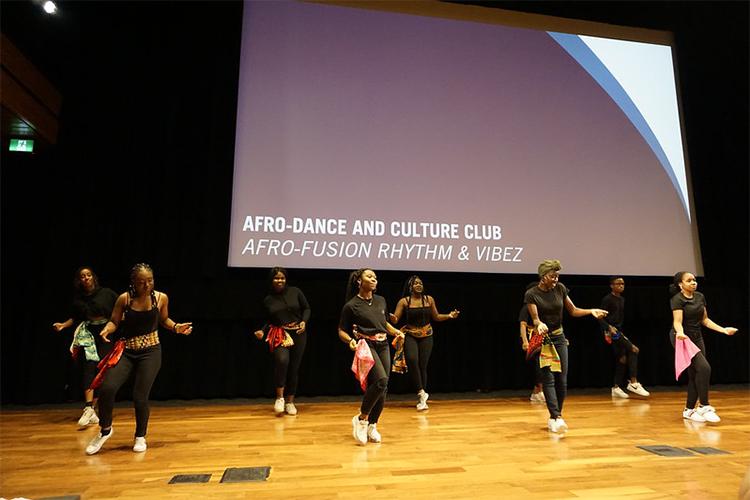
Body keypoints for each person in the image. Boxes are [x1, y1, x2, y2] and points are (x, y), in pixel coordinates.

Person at [84, 263, 193, 455]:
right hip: (127, 350)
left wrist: (177, 327)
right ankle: (105, 430)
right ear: (134, 282)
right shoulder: (124, 299)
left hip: (151, 352)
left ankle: (140, 436)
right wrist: (107, 329)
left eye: (150, 280)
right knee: (108, 389)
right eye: (142, 281)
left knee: (140, 396)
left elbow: (164, 320)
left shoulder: (160, 298)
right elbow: (114, 321)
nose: (147, 285)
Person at [524, 259, 608, 433]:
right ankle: (555, 417)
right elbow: (535, 318)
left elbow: (573, 310)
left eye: (557, 276)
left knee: (562, 380)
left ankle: (557, 415)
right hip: (544, 339)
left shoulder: (560, 289)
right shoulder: (532, 294)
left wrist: (591, 311)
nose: (555, 279)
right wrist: (538, 324)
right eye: (552, 276)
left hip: (559, 337)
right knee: (548, 379)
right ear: (543, 276)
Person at [338, 268, 403, 445]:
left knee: (383, 387)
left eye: (375, 277)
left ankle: (372, 425)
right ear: (359, 281)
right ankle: (361, 418)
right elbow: (341, 330)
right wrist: (349, 340)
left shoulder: (381, 300)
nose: (374, 279)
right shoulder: (351, 305)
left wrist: (396, 331)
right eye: (369, 276)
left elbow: (384, 324)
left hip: (383, 345)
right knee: (381, 380)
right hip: (366, 345)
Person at [53, 267, 118, 427]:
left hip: (105, 332)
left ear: (93, 277)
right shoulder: (79, 299)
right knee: (88, 368)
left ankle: (94, 408)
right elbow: (74, 318)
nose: (86, 278)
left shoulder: (107, 293)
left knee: (102, 370)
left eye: (88, 275)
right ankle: (88, 408)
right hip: (88, 334)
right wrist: (63, 325)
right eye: (83, 276)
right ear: (79, 280)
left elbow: (119, 308)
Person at [670, 271, 737, 423]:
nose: (693, 282)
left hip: (696, 337)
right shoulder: (677, 299)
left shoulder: (700, 297)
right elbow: (677, 322)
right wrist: (680, 333)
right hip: (683, 338)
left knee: (696, 374)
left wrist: (724, 330)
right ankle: (704, 406)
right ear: (681, 284)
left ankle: (688, 410)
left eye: (694, 280)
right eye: (689, 280)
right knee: (705, 368)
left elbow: (705, 320)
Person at [390, 275, 459, 411]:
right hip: (410, 334)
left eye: (420, 283)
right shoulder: (404, 301)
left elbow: (436, 317)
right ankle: (421, 392)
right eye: (416, 283)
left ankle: (422, 398)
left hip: (427, 334)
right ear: (410, 287)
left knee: (423, 365)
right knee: (412, 359)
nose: (419, 285)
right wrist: (392, 318)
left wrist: (449, 316)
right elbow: (395, 320)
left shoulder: (429, 299)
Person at [253, 267, 311, 416]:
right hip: (280, 333)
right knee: (282, 361)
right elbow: (268, 320)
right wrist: (262, 330)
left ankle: (290, 401)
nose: (280, 281)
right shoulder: (268, 299)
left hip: (298, 333)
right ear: (271, 280)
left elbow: (306, 308)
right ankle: (280, 398)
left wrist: (304, 321)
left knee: (294, 368)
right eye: (276, 278)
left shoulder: (295, 292)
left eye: (282, 278)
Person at [599, 277, 650, 398]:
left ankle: (616, 387)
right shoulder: (607, 299)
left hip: (619, 331)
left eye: (623, 284)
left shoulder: (621, 299)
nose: (621, 286)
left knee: (622, 359)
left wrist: (620, 332)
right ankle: (633, 383)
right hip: (611, 331)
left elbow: (619, 318)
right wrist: (608, 328)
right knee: (634, 349)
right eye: (618, 284)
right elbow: (599, 317)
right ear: (612, 285)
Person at [519, 282, 545, 403]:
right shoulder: (526, 307)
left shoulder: (542, 307)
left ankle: (540, 390)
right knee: (537, 364)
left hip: (544, 336)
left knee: (545, 363)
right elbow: (523, 324)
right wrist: (525, 341)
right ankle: (536, 391)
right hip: (532, 337)